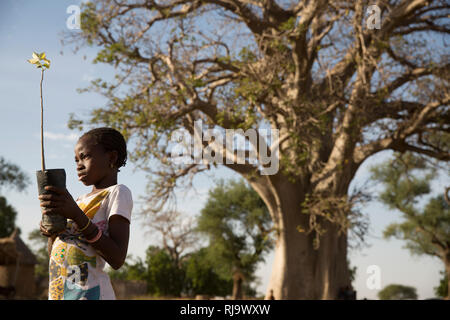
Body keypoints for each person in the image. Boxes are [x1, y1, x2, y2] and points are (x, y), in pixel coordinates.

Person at [38, 127, 133, 300]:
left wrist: (76, 215)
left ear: (111, 157)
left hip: (91, 295)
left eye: (85, 157)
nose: (79, 165)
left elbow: (117, 258)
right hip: (60, 293)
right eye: (76, 160)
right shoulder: (79, 201)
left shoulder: (117, 193)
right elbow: (56, 252)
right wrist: (52, 232)